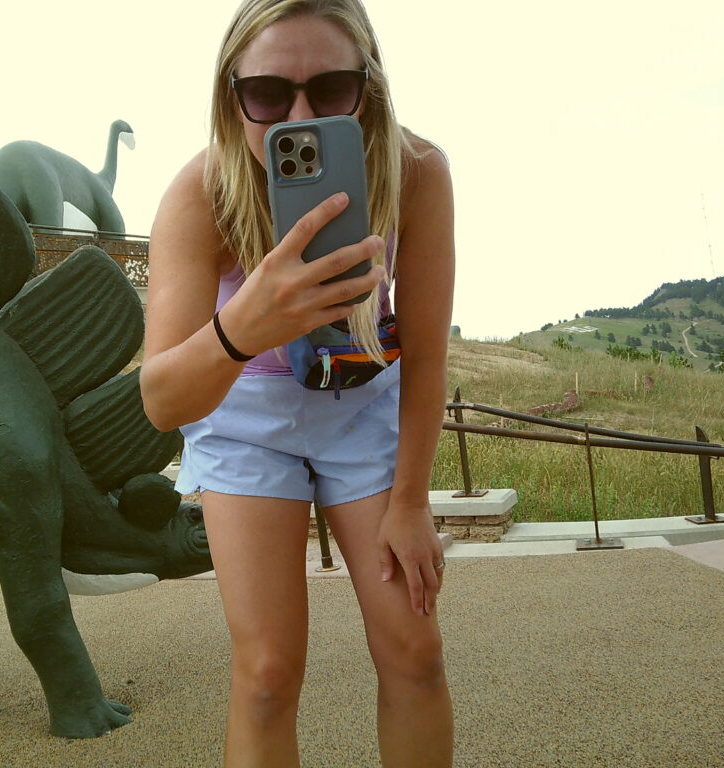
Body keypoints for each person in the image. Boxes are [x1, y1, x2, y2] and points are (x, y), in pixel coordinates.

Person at [140, 0, 455, 765]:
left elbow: (427, 347)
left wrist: (411, 501)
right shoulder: (201, 194)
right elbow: (161, 401)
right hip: (244, 414)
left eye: (333, 88)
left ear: (369, 89)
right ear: (231, 97)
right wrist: (245, 324)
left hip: (365, 404)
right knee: (268, 676)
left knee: (414, 652)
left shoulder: (415, 173)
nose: (299, 117)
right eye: (269, 96)